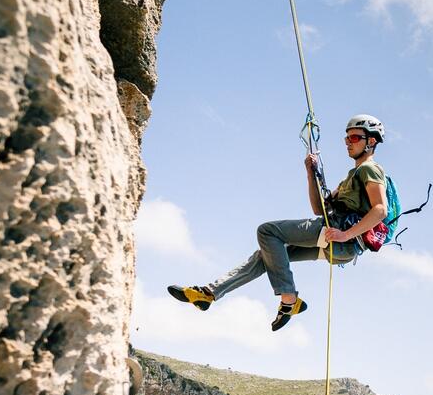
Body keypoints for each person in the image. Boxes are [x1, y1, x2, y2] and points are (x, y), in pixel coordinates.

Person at [167, 114, 389, 331]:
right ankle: (208, 293)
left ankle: (289, 299)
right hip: (339, 245)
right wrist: (310, 174)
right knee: (267, 256)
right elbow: (318, 208)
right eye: (346, 138)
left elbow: (380, 209)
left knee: (267, 232)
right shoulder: (352, 176)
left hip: (339, 238)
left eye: (354, 138)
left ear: (371, 141)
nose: (348, 143)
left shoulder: (370, 169)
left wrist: (345, 234)